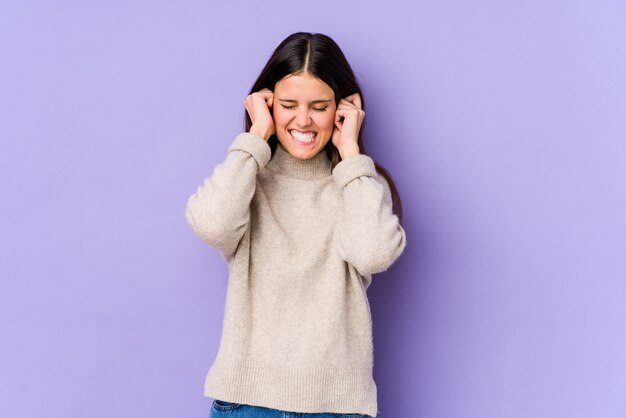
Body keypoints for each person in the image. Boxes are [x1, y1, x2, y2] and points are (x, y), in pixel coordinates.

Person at [185, 32, 407, 418]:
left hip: (336, 408)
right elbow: (212, 225)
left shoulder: (359, 184)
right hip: (249, 403)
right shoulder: (248, 177)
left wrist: (351, 155)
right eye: (288, 105)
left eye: (318, 106)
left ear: (341, 109)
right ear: (267, 104)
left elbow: (372, 254)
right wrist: (255, 137)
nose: (303, 119)